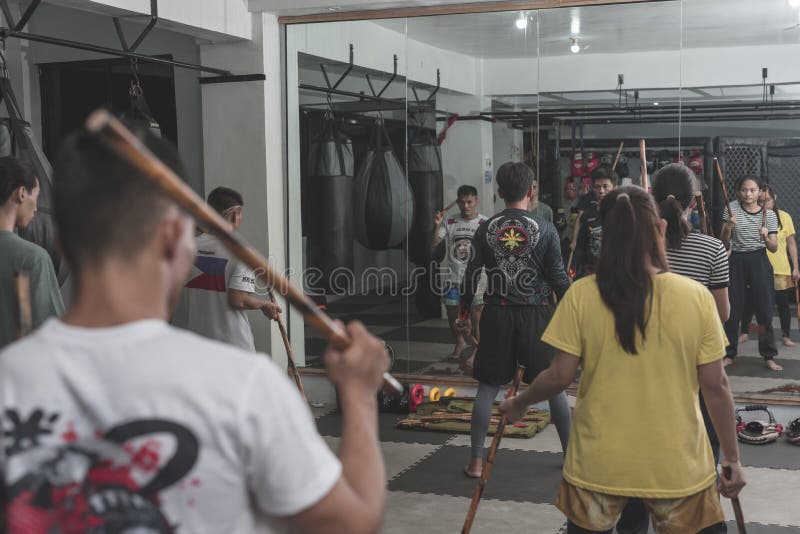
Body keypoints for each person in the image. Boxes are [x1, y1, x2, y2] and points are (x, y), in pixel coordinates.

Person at [0, 126, 390, 533]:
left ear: (60, 243)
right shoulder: (246, 389)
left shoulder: (7, 381)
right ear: (173, 237)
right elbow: (353, 524)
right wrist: (360, 396)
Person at [500, 186, 745, 534]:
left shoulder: (582, 295)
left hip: (599, 463)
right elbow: (716, 386)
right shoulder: (697, 298)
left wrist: (520, 402)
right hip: (677, 463)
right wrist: (732, 459)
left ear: (605, 237)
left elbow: (558, 376)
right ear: (660, 229)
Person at [457, 162, 571, 478]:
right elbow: (559, 277)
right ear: (530, 190)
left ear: (499, 192)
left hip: (497, 315)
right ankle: (572, 458)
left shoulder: (487, 228)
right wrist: (576, 312)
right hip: (536, 314)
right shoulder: (545, 228)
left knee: (488, 387)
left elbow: (470, 275)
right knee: (555, 387)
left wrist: (464, 314)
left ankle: (476, 462)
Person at [172, 186, 281, 352]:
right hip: (231, 347)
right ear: (235, 214)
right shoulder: (242, 253)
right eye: (240, 213)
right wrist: (262, 304)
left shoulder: (184, 248)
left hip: (189, 346)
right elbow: (238, 299)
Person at [0, 156, 64, 348]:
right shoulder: (32, 259)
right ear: (21, 193)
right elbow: (50, 334)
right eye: (35, 196)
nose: (36, 208)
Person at [720, 175, 782, 371]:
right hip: (736, 260)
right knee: (732, 310)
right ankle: (729, 354)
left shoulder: (768, 214)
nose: (748, 194)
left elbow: (773, 248)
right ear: (738, 191)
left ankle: (769, 356)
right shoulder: (731, 208)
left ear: (759, 192)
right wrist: (728, 227)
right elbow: (723, 242)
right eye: (744, 190)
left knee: (764, 310)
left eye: (752, 190)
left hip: (759, 260)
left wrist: (765, 237)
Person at [432, 184, 488, 364]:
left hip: (476, 280)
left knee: (476, 317)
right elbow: (434, 243)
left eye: (469, 202)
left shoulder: (484, 223)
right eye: (462, 202)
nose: (466, 206)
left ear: (476, 201)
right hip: (453, 278)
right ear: (457, 202)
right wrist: (437, 225)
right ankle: (460, 342)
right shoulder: (449, 222)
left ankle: (479, 349)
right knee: (452, 314)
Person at [738, 184, 799, 348]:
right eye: (762, 200)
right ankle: (744, 332)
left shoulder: (784, 217)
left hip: (780, 269)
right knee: (751, 301)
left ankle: (786, 335)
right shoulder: (753, 215)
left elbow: (791, 244)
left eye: (768, 200)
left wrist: (796, 267)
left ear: (775, 198)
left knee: (783, 304)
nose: (765, 203)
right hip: (758, 267)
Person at [572, 166, 617, 278]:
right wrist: (574, 270)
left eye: (605, 187)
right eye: (597, 187)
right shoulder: (588, 214)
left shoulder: (623, 214)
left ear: (615, 188)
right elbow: (581, 246)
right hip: (591, 274)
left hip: (616, 274)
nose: (601, 191)